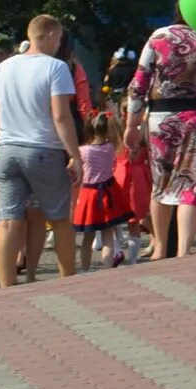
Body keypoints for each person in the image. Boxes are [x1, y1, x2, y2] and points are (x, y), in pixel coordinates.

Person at [0, 16, 83, 290]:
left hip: (7, 149)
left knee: (7, 220)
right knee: (59, 219)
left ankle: (6, 286)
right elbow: (61, 116)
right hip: (43, 148)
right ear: (52, 36)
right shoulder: (56, 68)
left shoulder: (3, 68)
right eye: (59, 38)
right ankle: (68, 280)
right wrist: (74, 155)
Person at [129, 21, 196, 262]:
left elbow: (139, 82)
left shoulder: (159, 35)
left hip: (160, 120)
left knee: (161, 184)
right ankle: (184, 251)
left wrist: (132, 124)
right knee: (191, 186)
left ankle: (160, 249)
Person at [71, 111, 125, 270]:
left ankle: (85, 269)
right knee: (108, 234)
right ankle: (107, 267)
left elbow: (73, 167)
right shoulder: (110, 147)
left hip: (89, 194)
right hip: (108, 192)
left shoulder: (82, 151)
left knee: (88, 236)